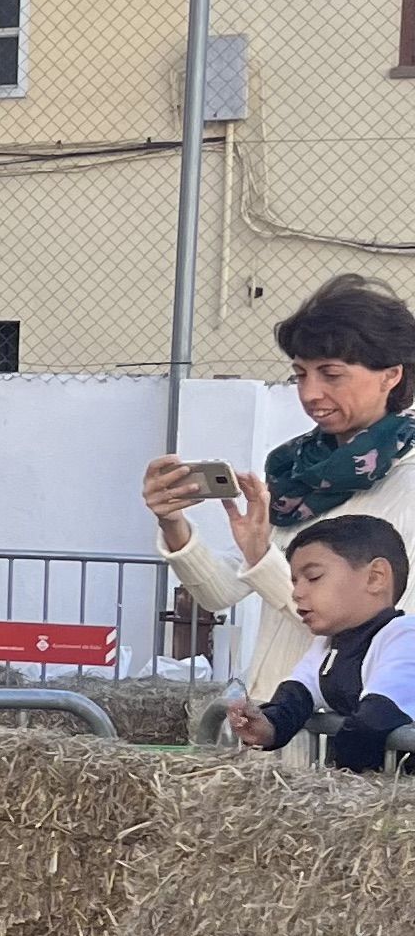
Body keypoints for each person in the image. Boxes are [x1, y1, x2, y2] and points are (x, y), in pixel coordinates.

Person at [144, 273, 415, 712]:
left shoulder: (407, 484)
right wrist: (173, 523)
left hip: (346, 736)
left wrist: (261, 559)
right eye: (300, 374)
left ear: (391, 376)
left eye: (331, 375)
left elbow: (373, 626)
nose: (310, 393)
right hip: (273, 719)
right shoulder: (299, 477)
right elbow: (219, 594)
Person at [225, 514, 415, 772]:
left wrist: (329, 790)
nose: (296, 593)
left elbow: (374, 721)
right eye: (294, 581)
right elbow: (296, 697)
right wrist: (266, 726)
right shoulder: (328, 645)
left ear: (375, 577)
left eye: (313, 577)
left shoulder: (405, 636)